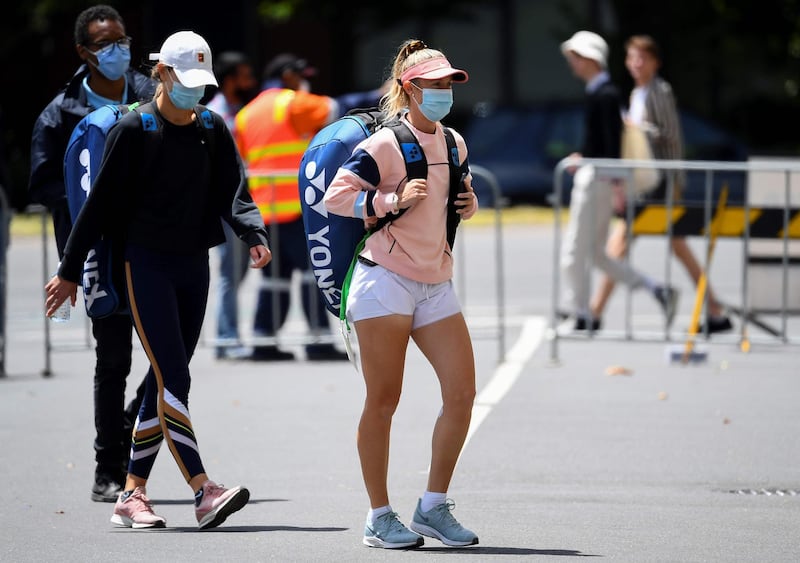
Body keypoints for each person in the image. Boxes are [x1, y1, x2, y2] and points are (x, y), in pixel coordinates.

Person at [44, 30, 271, 529]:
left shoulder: (211, 126)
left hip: (194, 264)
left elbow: (232, 189)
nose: (196, 91)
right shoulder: (135, 128)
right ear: (162, 74)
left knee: (163, 380)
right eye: (185, 80)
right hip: (144, 265)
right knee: (176, 377)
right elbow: (98, 206)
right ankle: (203, 489)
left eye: (201, 82)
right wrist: (67, 272)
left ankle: (132, 493)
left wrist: (252, 231)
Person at [324, 39, 480, 549]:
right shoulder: (386, 143)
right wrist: (389, 197)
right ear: (410, 89)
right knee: (384, 399)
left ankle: (433, 507)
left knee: (461, 395)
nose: (443, 93)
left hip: (435, 280)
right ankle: (378, 515)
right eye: (434, 85)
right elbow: (337, 196)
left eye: (448, 85)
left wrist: (468, 201)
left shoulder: (454, 143)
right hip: (384, 278)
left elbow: (454, 202)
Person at [28, 4, 153, 502]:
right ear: (84, 52)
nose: (118, 51)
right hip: (98, 249)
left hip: (151, 244)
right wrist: (96, 198)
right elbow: (42, 184)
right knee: (113, 358)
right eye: (105, 45)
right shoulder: (59, 113)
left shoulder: (150, 95)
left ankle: (129, 424)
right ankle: (108, 468)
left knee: (174, 356)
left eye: (122, 40)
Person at [234, 53, 384, 362]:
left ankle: (264, 340)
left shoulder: (246, 114)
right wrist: (377, 96)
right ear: (288, 75)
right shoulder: (291, 102)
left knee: (275, 278)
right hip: (299, 208)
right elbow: (338, 109)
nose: (306, 82)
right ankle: (318, 338)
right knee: (314, 271)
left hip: (266, 208)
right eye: (302, 76)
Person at [589, 35, 733, 334]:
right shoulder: (638, 93)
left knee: (624, 244)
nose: (636, 64)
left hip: (661, 182)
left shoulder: (659, 91)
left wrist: (633, 128)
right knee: (667, 246)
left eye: (642, 58)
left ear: (655, 62)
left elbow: (668, 134)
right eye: (632, 58)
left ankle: (593, 313)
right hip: (645, 182)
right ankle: (715, 311)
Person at [559, 30, 679, 332]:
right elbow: (604, 143)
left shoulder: (605, 94)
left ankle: (581, 313)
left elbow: (610, 148)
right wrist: (585, 156)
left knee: (574, 251)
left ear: (589, 59)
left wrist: (613, 183)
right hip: (599, 176)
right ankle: (655, 289)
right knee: (597, 253)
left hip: (597, 179)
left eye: (576, 57)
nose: (572, 63)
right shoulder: (604, 92)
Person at [205, 51, 259, 360]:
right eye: (244, 76)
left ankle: (228, 334)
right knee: (229, 271)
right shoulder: (218, 115)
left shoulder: (241, 110)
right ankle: (227, 338)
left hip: (242, 202)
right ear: (229, 80)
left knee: (237, 272)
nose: (250, 82)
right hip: (227, 205)